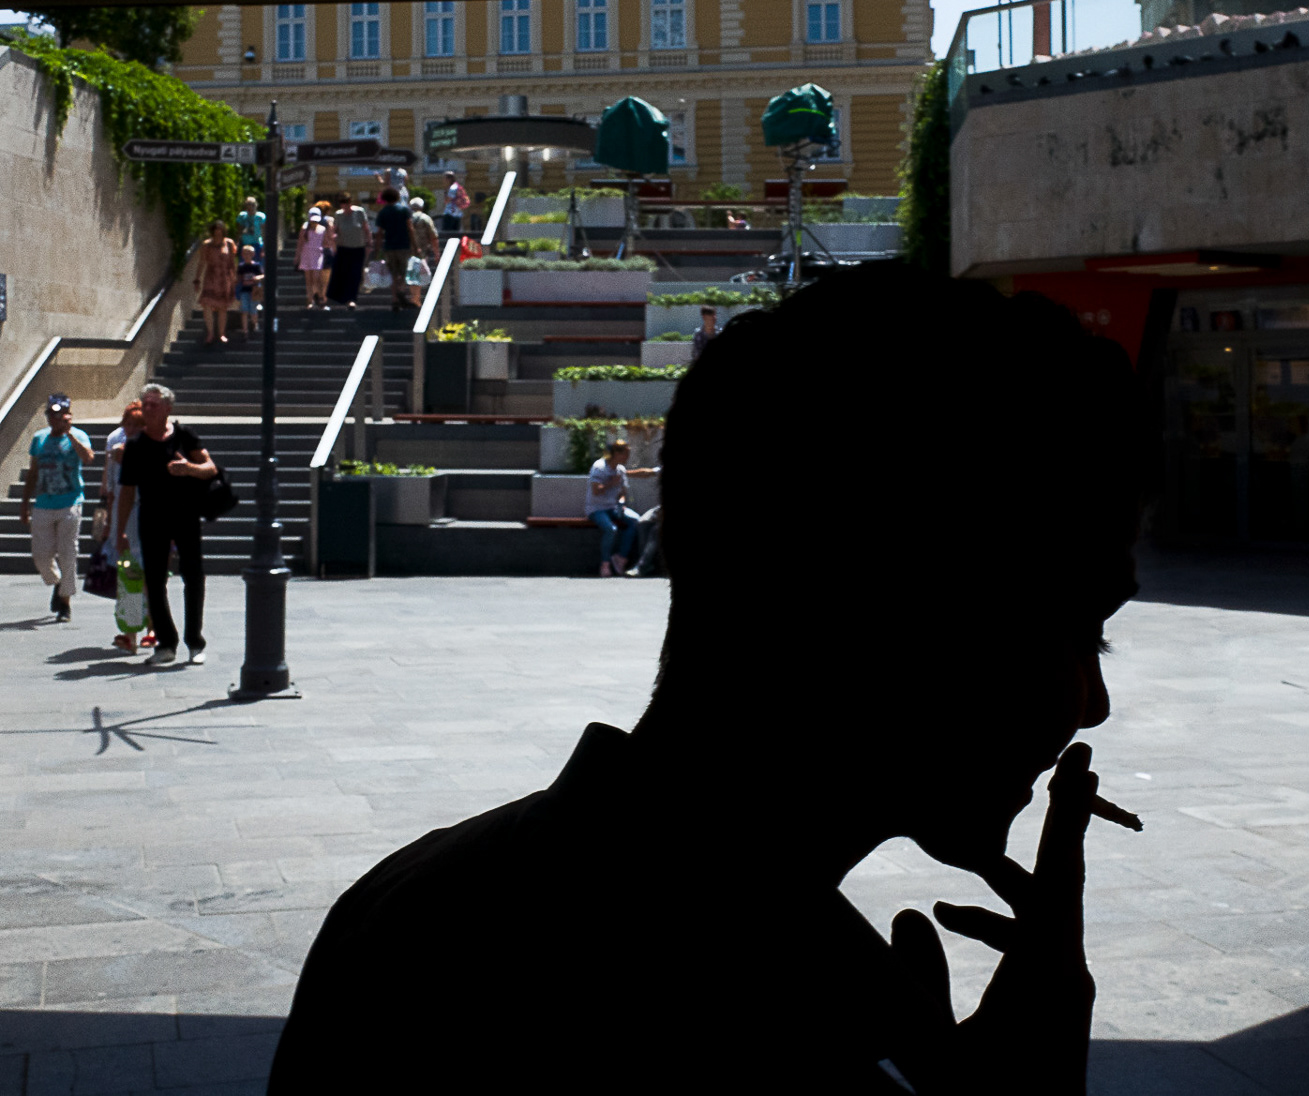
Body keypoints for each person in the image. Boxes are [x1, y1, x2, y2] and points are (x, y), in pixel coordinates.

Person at [268, 263, 1146, 1094]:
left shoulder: (409, 914)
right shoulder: (732, 1023)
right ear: (899, 605)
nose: (1093, 704)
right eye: (1079, 631)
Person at [115, 384, 217, 666]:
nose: (148, 409)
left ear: (167, 408)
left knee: (193, 576)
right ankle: (166, 643)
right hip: (152, 519)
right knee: (154, 580)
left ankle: (195, 642)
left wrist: (189, 469)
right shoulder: (135, 445)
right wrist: (119, 529)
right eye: (145, 404)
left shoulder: (184, 436)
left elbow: (210, 468)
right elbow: (127, 491)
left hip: (186, 516)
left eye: (154, 405)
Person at [21, 394, 93, 624]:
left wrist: (70, 434)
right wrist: (25, 503)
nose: (54, 419)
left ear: (67, 414)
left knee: (68, 552)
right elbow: (33, 472)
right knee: (41, 555)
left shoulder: (78, 436)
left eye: (59, 414)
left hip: (70, 502)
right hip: (44, 502)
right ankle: (58, 582)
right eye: (51, 415)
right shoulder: (39, 438)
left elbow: (88, 458)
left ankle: (65, 603)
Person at [103, 400, 154, 653]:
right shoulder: (116, 448)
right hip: (125, 519)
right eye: (128, 424)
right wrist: (111, 524)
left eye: (137, 425)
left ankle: (153, 627)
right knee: (130, 576)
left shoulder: (153, 448)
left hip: (149, 517)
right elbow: (112, 489)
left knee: (151, 577)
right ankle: (131, 633)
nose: (132, 429)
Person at [584, 439, 647, 576]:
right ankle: (605, 564)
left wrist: (621, 503)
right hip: (597, 508)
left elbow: (622, 493)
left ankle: (621, 557)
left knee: (636, 521)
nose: (627, 457)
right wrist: (611, 483)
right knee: (611, 529)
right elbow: (596, 491)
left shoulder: (620, 470)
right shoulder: (599, 467)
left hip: (613, 507)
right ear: (617, 454)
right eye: (625, 454)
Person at [194, 221, 238, 344]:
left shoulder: (229, 243)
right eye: (216, 230)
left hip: (224, 278)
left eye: (220, 230)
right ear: (212, 231)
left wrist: (234, 278)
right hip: (211, 277)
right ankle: (210, 333)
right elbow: (202, 262)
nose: (218, 232)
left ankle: (222, 333)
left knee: (222, 306)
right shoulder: (207, 245)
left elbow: (232, 262)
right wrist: (197, 279)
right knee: (207, 303)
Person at [325, 194, 371, 309]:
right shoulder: (339, 215)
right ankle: (344, 297)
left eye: (346, 202)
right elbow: (335, 230)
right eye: (342, 203)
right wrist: (332, 239)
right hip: (343, 248)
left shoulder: (359, 212)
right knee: (344, 273)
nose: (344, 205)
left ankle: (352, 299)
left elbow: (366, 228)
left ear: (350, 202)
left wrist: (369, 243)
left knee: (355, 273)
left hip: (358, 247)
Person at [374, 187, 414, 312]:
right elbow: (410, 228)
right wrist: (415, 245)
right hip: (403, 245)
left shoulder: (383, 212)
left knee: (393, 274)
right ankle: (401, 290)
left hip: (389, 246)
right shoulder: (404, 210)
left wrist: (378, 248)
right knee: (404, 272)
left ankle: (395, 300)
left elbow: (379, 233)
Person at [296, 206, 330, 309]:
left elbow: (325, 242)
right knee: (309, 279)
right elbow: (300, 243)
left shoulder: (323, 229)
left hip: (317, 255)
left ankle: (319, 296)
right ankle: (310, 300)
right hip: (306, 254)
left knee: (316, 277)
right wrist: (297, 256)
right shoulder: (304, 228)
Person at [406, 197, 438, 305]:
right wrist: (437, 253)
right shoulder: (426, 218)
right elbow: (433, 237)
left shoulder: (407, 218)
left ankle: (415, 297)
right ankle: (416, 298)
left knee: (412, 273)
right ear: (422, 207)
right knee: (418, 273)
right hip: (422, 251)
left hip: (409, 251)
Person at [235, 244, 264, 338]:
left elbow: (262, 275)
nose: (247, 256)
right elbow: (239, 278)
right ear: (242, 255)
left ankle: (254, 323)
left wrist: (258, 277)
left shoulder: (256, 265)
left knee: (253, 309)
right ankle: (245, 330)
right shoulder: (241, 266)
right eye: (245, 254)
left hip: (254, 290)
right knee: (244, 310)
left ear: (253, 254)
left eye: (249, 254)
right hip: (244, 290)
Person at [438, 171, 470, 238]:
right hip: (457, 214)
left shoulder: (452, 188)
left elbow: (447, 200)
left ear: (449, 179)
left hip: (450, 213)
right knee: (455, 235)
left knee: (447, 234)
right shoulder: (457, 186)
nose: (443, 180)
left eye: (444, 178)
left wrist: (445, 194)